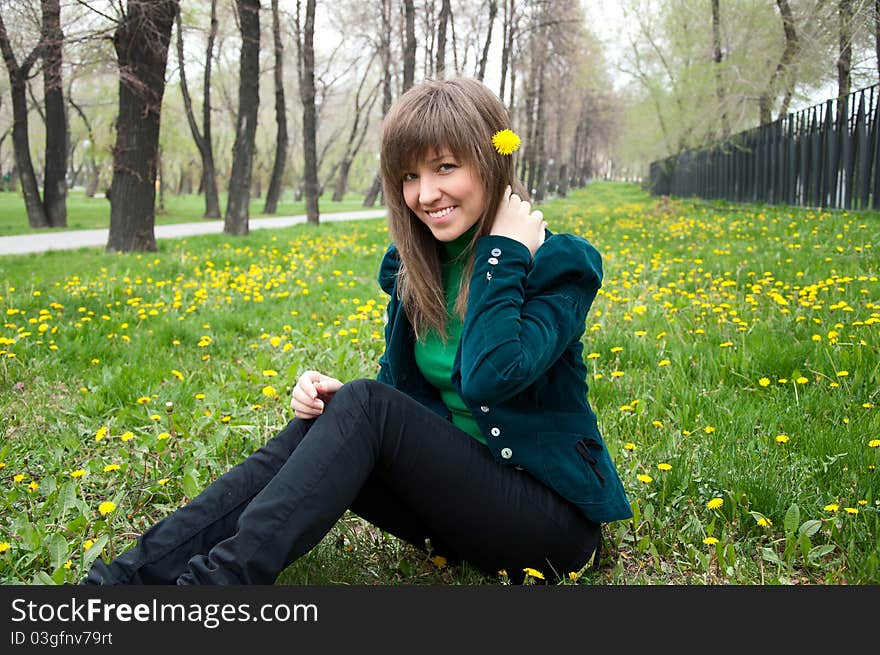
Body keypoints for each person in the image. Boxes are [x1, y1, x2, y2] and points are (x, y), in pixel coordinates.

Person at [81, 77, 632, 586]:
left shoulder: (558, 263)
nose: (425, 194)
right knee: (325, 422)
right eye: (409, 176)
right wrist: (339, 407)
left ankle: (213, 593)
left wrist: (501, 255)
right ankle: (119, 584)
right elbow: (398, 401)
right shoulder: (416, 268)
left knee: (365, 407)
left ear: (492, 160)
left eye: (444, 167)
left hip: (550, 527)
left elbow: (493, 377)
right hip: (457, 512)